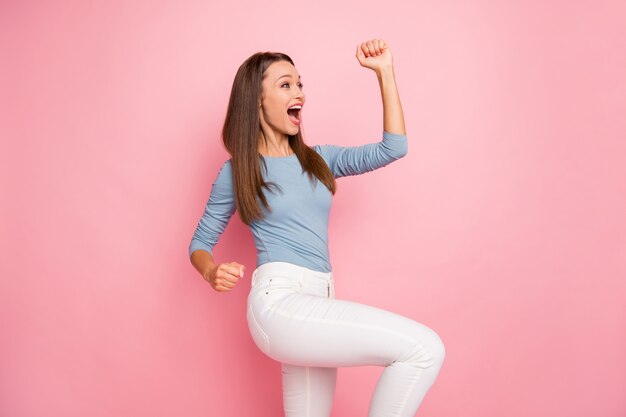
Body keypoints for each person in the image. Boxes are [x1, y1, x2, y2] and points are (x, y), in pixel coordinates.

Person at [189, 39, 445, 417]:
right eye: (286, 85)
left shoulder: (318, 160)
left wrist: (385, 72)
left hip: (318, 300)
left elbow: (394, 148)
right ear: (257, 101)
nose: (300, 94)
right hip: (279, 303)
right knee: (424, 348)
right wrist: (211, 271)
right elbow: (200, 242)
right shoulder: (238, 172)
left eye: (300, 84)